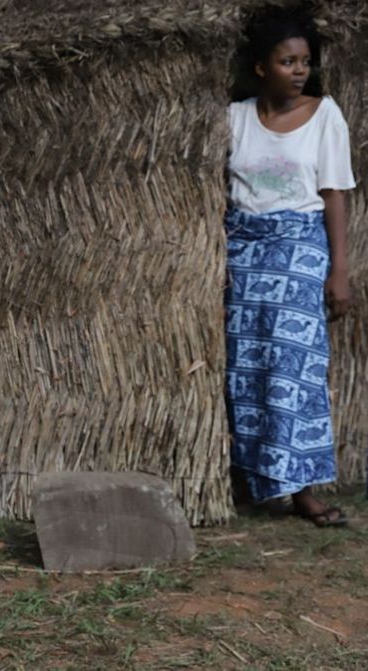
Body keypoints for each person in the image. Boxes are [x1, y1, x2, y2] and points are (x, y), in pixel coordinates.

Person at [225, 8, 355, 526]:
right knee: (245, 369)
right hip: (243, 252)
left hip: (299, 247)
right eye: (287, 61)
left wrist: (338, 271)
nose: (299, 70)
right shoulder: (234, 117)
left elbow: (334, 194)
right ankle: (253, 481)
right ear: (262, 68)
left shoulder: (325, 116)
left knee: (295, 372)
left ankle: (302, 490)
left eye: (304, 61)